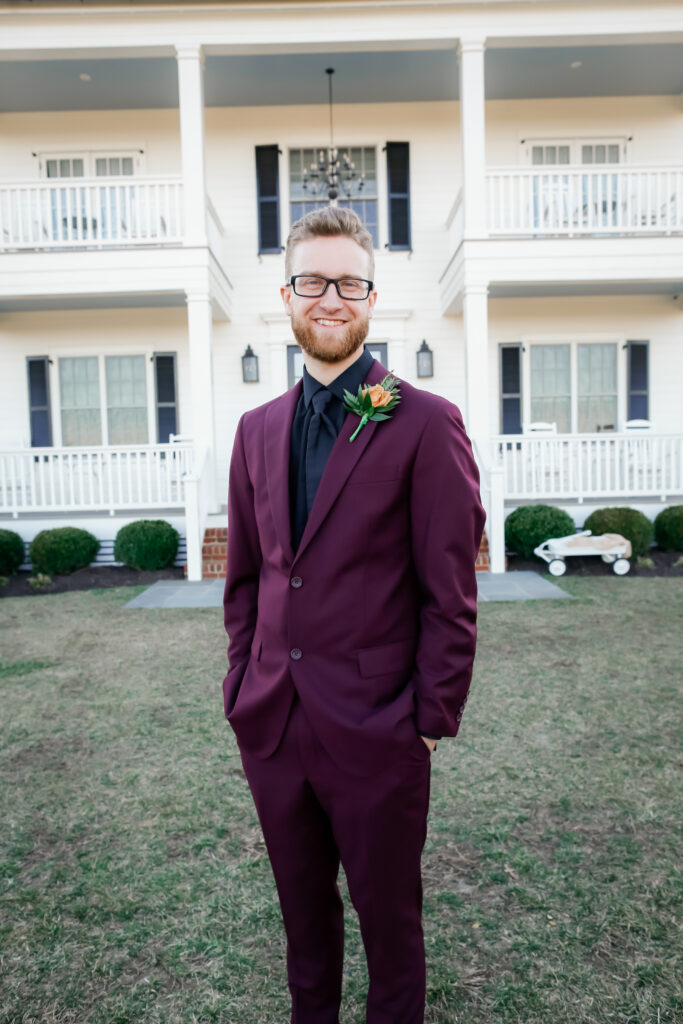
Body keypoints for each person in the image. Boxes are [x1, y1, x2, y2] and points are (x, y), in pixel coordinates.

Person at [223, 206, 485, 1024]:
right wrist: (241, 684)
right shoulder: (254, 430)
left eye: (348, 282)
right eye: (312, 281)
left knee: (389, 924)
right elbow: (245, 580)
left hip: (380, 728)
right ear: (287, 294)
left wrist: (429, 719)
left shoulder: (423, 421)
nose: (329, 297)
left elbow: (451, 589)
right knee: (303, 922)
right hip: (273, 723)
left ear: (370, 296)